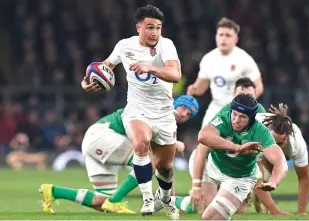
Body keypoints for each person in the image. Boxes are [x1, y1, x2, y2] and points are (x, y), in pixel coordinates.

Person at [81, 5, 181, 219]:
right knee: (140, 143)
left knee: (165, 166)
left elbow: (175, 74)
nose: (155, 32)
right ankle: (146, 199)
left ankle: (165, 199)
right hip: (137, 109)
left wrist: (150, 67)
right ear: (138, 28)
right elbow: (104, 66)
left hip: (164, 113)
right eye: (150, 27)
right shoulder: (124, 46)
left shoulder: (166, 45)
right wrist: (86, 82)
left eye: (158, 27)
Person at [39, 95, 199, 215]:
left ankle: (52, 191)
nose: (184, 114)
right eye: (183, 108)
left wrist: (171, 199)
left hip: (97, 141)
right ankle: (115, 200)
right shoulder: (159, 111)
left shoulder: (166, 125)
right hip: (103, 136)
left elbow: (165, 166)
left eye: (189, 114)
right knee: (148, 162)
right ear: (174, 104)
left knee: (100, 202)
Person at [174, 78, 265, 214]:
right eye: (241, 95)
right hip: (208, 162)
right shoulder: (221, 116)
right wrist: (196, 186)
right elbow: (201, 151)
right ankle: (169, 200)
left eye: (250, 96)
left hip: (232, 167)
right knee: (206, 209)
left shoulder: (261, 116)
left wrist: (260, 190)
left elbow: (259, 157)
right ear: (234, 95)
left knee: (241, 211)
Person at [193, 94, 288, 220]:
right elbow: (203, 136)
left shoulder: (260, 132)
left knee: (210, 217)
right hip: (213, 167)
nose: (236, 120)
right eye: (234, 114)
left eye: (242, 117)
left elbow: (280, 161)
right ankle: (169, 200)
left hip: (239, 178)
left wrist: (273, 181)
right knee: (202, 205)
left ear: (251, 118)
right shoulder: (224, 118)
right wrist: (237, 147)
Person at [187, 17, 264, 127]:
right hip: (217, 107)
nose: (223, 38)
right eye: (221, 35)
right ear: (216, 37)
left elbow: (259, 87)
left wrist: (246, 106)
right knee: (203, 140)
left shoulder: (245, 59)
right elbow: (202, 87)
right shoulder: (208, 59)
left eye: (228, 35)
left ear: (236, 39)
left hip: (239, 110)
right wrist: (193, 89)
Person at [252, 104, 309, 215]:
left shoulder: (298, 143)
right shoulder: (258, 135)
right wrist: (276, 212)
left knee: (272, 179)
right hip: (239, 139)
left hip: (268, 156)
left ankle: (258, 199)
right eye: (273, 141)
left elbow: (304, 178)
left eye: (280, 143)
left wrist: (301, 212)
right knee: (242, 207)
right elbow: (256, 177)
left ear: (288, 137)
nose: (276, 146)